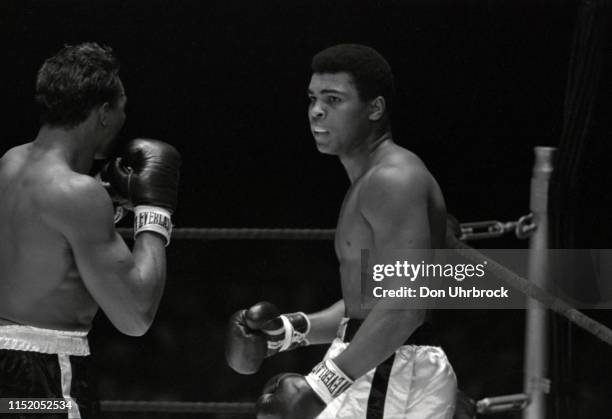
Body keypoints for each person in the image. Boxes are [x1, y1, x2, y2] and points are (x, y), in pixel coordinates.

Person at [226, 44, 457, 418]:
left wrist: (320, 387)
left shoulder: (393, 179)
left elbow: (406, 308)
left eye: (334, 99)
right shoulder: (371, 182)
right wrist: (288, 330)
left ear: (375, 108)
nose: (317, 110)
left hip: (389, 370)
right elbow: (366, 306)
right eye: (314, 98)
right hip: (382, 363)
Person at [0, 43, 180, 418]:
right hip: (45, 379)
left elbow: (49, 231)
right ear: (102, 113)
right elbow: (136, 315)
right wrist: (154, 213)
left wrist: (106, 200)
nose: (123, 118)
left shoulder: (10, 163)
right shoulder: (78, 195)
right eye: (122, 108)